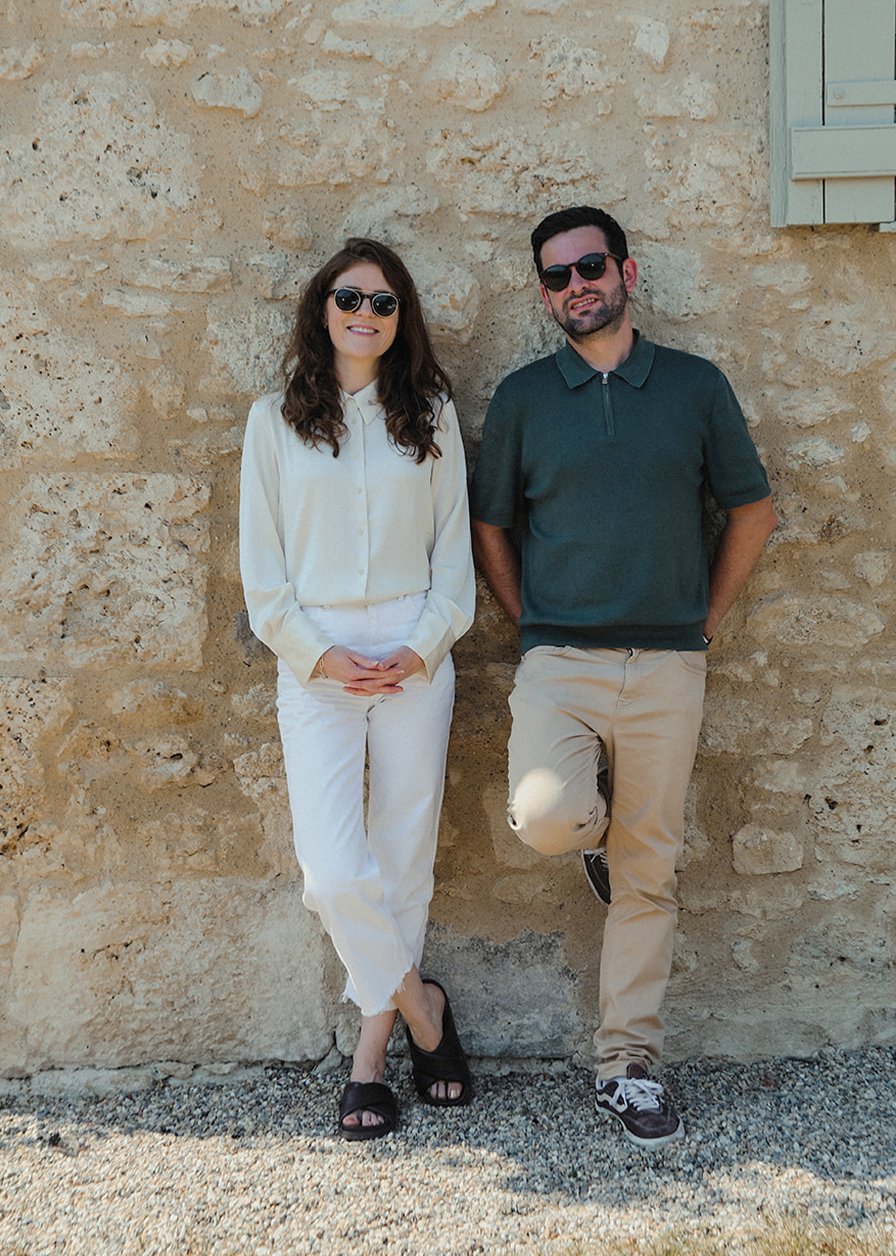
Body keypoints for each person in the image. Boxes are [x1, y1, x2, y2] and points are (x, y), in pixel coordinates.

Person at [470, 206, 777, 1150]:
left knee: (652, 872)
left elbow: (752, 511)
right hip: (558, 660)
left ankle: (628, 1067)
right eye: (558, 277)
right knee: (548, 817)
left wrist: (705, 620)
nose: (577, 287)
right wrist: (532, 626)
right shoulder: (523, 398)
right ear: (544, 293)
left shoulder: (693, 385)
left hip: (669, 663)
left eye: (591, 267)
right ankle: (590, 835)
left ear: (627, 270)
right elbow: (490, 528)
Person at [239, 238, 475, 1141]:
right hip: (319, 660)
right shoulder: (274, 421)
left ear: (401, 317)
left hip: (418, 651)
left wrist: (421, 647)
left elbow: (454, 557)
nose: (366, 315)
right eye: (350, 299)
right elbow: (263, 573)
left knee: (402, 859)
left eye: (383, 303)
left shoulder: (435, 416)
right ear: (322, 308)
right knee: (336, 872)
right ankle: (425, 1011)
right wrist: (318, 653)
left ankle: (372, 1057)